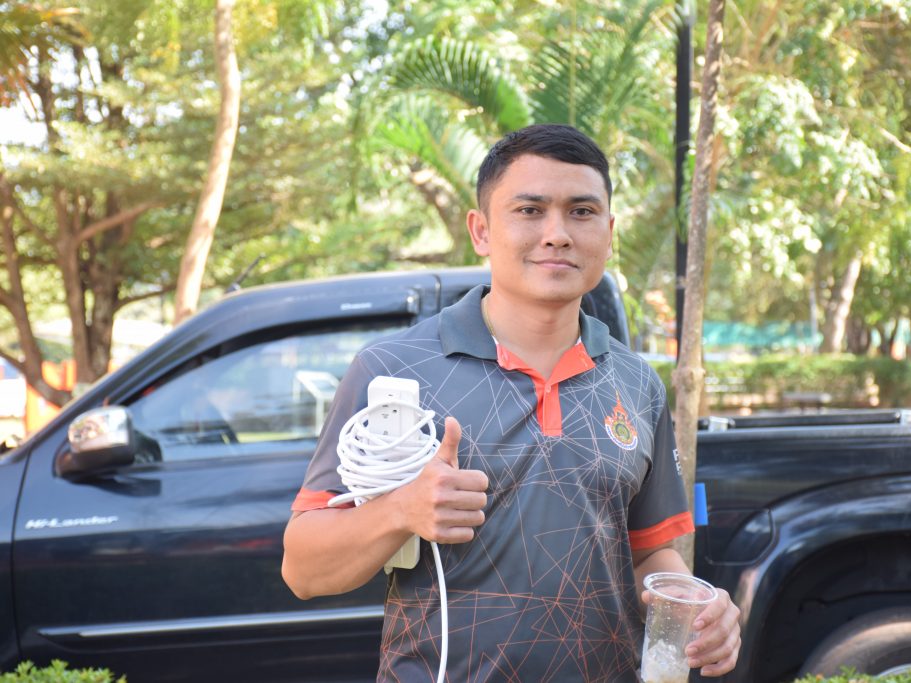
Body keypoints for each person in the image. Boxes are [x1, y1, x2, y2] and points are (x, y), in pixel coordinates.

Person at [282, 123, 741, 681]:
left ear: (608, 231)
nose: (557, 234)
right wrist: (401, 509)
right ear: (481, 230)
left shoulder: (637, 383)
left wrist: (701, 608)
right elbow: (303, 570)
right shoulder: (392, 371)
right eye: (529, 210)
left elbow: (650, 554)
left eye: (581, 211)